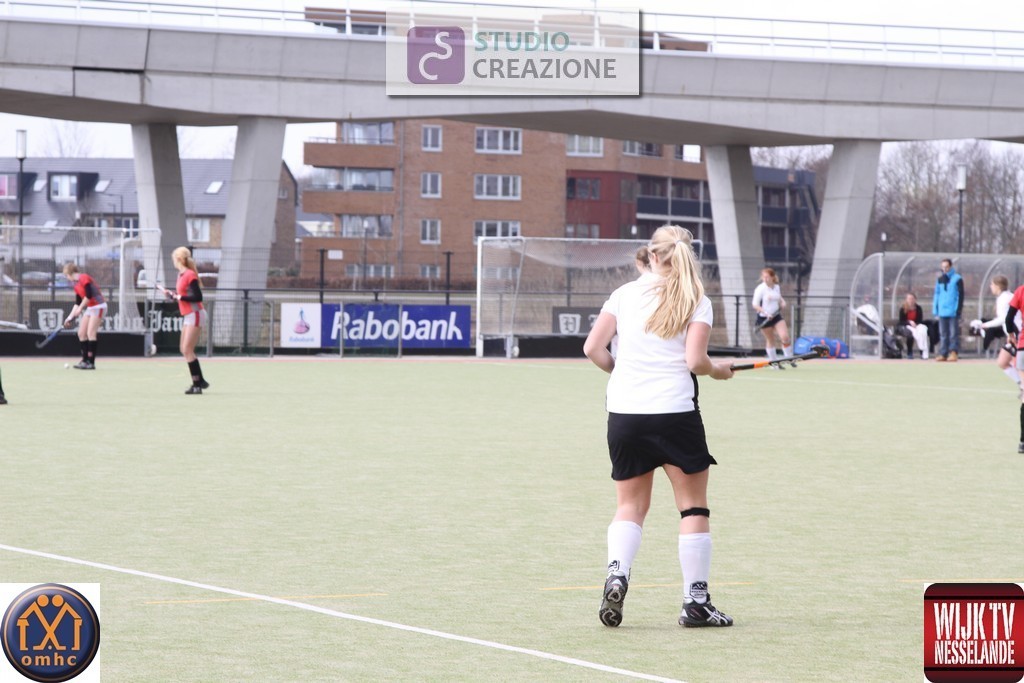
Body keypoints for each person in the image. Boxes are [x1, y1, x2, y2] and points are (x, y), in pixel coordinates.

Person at [583, 224, 734, 629]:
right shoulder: (696, 298)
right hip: (675, 414)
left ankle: (617, 574)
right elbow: (695, 362)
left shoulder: (623, 295)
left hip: (625, 414)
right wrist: (718, 370)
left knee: (629, 507)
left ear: (651, 255)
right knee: (693, 507)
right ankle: (696, 604)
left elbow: (593, 348)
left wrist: (622, 373)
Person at [164, 246, 210, 395]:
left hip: (195, 314)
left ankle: (197, 385)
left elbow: (198, 297)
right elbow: (183, 295)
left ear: (178, 259)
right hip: (188, 315)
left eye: (174, 258)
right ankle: (200, 381)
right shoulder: (180, 275)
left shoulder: (190, 274)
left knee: (187, 349)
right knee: (184, 349)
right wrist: (173, 295)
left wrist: (179, 297)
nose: (173, 261)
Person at [62, 262, 106, 370]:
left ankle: (91, 362)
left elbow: (88, 296)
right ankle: (84, 360)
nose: (67, 278)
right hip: (91, 308)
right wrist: (69, 318)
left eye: (66, 275)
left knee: (91, 333)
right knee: (81, 333)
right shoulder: (76, 285)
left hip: (99, 306)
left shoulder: (84, 278)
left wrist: (80, 308)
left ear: (70, 273)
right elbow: (77, 303)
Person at [752, 267, 794, 368]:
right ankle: (774, 363)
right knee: (771, 340)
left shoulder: (776, 287)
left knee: (785, 337)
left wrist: (782, 302)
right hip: (764, 318)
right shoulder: (760, 289)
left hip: (776, 316)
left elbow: (778, 297)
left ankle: (788, 358)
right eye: (764, 277)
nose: (765, 279)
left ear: (772, 277)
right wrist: (766, 313)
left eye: (767, 277)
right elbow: (755, 304)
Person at [970, 275, 1013, 358]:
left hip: (1016, 334)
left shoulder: (1004, 298)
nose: (991, 286)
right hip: (1013, 335)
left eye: (992, 284)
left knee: (1005, 361)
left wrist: (985, 325)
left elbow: (1003, 319)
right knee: (1004, 362)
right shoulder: (1007, 296)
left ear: (998, 286)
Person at [933, 258, 964, 362]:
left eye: (946, 267)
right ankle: (943, 353)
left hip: (953, 311)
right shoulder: (940, 279)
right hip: (942, 311)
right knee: (943, 333)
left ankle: (953, 352)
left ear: (950, 266)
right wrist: (935, 309)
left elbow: (961, 295)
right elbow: (937, 294)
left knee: (953, 333)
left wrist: (958, 309)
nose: (945, 269)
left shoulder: (957, 279)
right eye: (943, 267)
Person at [897, 293, 930, 360]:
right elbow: (901, 322)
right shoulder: (903, 308)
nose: (911, 300)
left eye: (912, 299)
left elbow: (920, 320)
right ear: (906, 300)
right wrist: (909, 322)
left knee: (922, 332)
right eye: (909, 299)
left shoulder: (918, 308)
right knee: (910, 334)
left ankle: (922, 352)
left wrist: (916, 324)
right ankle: (909, 352)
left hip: (916, 326)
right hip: (905, 327)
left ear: (915, 299)